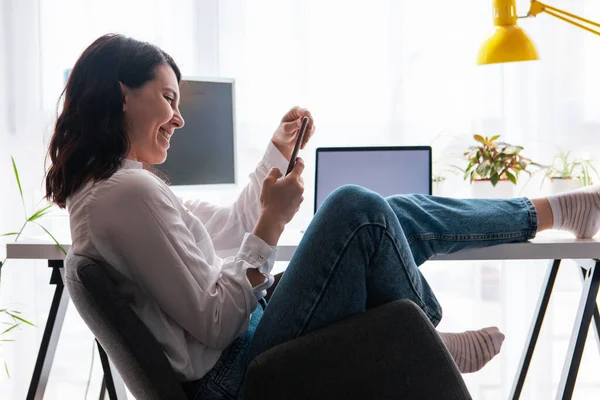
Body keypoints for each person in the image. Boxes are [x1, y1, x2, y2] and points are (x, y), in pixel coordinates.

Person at [44, 34, 600, 400]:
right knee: (355, 209)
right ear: (122, 95)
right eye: (168, 98)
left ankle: (557, 209)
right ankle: (428, 338)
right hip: (235, 370)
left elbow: (234, 229)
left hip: (241, 343)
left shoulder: (119, 190)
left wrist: (277, 153)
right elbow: (215, 321)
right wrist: (273, 225)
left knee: (387, 213)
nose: (178, 118)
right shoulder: (128, 194)